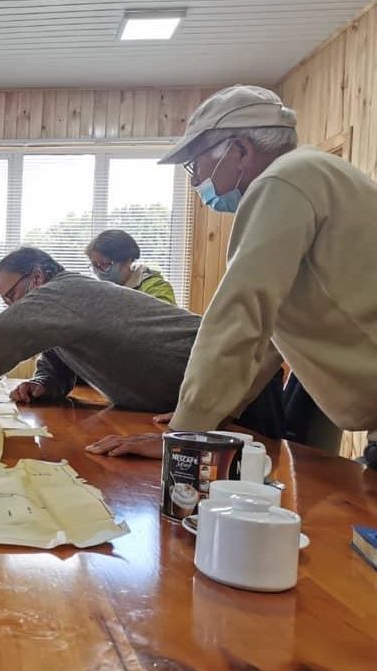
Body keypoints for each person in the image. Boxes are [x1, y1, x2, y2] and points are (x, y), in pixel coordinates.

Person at [85, 85, 377, 468]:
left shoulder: (283, 180)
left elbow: (239, 314)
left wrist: (185, 435)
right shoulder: (314, 173)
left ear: (239, 151)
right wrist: (206, 417)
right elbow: (270, 335)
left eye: (197, 164)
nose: (194, 181)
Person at [0, 247, 284, 439]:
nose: (12, 306)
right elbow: (58, 359)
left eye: (12, 295)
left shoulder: (63, 291)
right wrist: (44, 384)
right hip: (196, 394)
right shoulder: (61, 306)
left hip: (232, 380)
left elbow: (2, 333)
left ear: (38, 277)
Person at [86, 229, 176, 304]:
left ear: (127, 260)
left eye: (106, 264)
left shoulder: (156, 287)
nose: (100, 271)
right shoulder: (99, 290)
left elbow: (164, 321)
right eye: (95, 265)